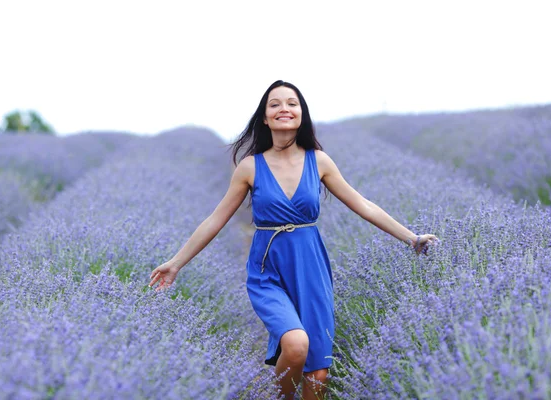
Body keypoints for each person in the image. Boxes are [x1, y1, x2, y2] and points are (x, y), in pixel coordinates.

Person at [149, 80, 439, 400]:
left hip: (311, 265)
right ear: (264, 117)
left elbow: (363, 204)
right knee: (296, 344)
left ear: (302, 114)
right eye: (275, 104)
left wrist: (412, 238)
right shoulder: (250, 167)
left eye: (292, 103)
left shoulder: (320, 161)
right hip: (268, 269)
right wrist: (176, 263)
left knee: (317, 371)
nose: (284, 109)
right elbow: (216, 219)